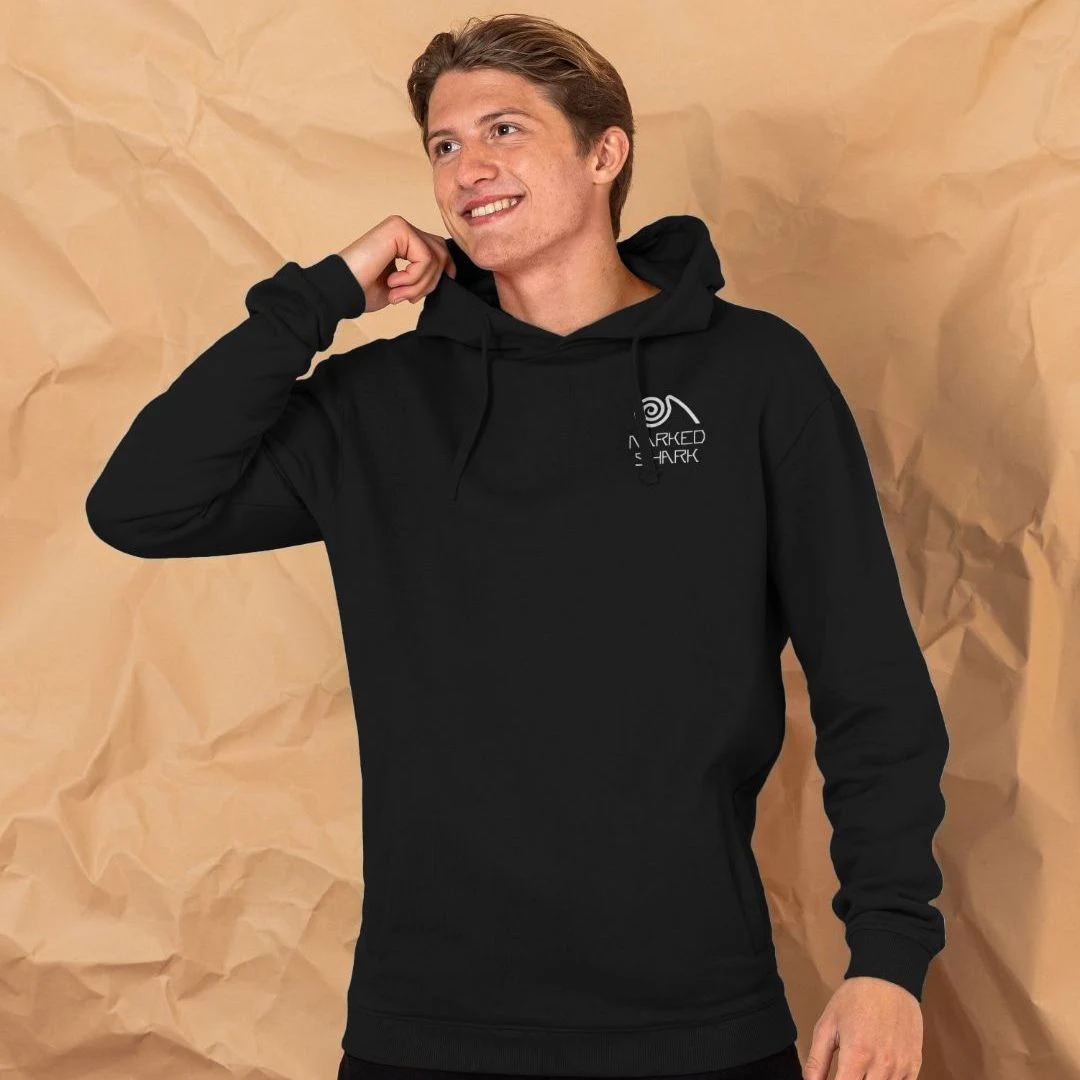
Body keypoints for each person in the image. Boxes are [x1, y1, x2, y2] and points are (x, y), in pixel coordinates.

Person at [85, 13, 948, 1080]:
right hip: (428, 1028)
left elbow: (871, 684)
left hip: (699, 1021)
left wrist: (888, 958)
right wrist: (320, 297)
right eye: (444, 145)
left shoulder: (754, 378)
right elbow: (142, 504)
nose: (467, 169)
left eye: (504, 130)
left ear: (604, 151)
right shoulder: (381, 406)